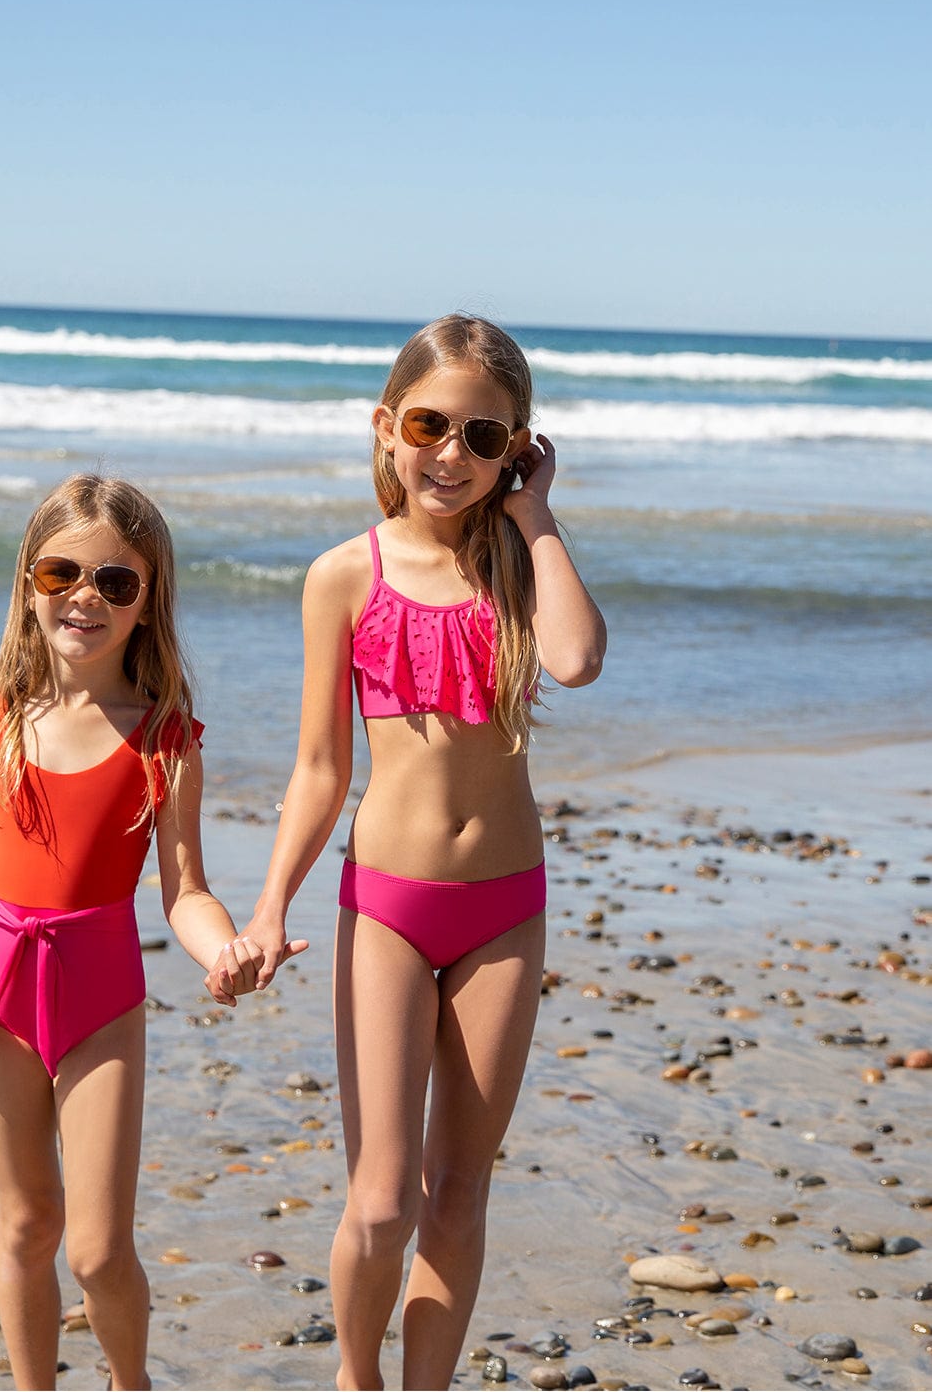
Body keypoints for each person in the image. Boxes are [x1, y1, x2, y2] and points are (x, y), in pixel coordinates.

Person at [239, 315, 607, 1390]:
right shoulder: (340, 577)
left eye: (483, 437)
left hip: (505, 907)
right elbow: (317, 769)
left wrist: (536, 517)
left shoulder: (517, 563)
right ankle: (357, 1376)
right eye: (428, 424)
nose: (449, 454)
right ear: (385, 427)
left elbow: (578, 660)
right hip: (388, 909)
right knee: (382, 1198)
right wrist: (268, 909)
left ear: (516, 449)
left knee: (459, 1194)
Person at [0, 473, 300, 1392]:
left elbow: (185, 893)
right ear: (28, 582)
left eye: (116, 582)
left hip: (102, 1003)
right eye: (62, 573)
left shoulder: (165, 738)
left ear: (146, 603)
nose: (85, 596)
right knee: (25, 1225)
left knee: (94, 1250)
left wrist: (228, 951)